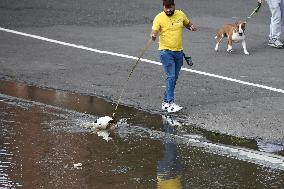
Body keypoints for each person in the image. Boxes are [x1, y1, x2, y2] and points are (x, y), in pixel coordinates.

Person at [151, 0, 197, 113]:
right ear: (163, 7)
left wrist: (191, 27)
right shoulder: (159, 17)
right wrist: (153, 35)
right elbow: (155, 30)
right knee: (170, 77)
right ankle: (170, 103)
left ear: (174, 6)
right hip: (165, 52)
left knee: (174, 78)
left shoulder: (180, 14)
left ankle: (165, 102)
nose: (168, 10)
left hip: (179, 52)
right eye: (166, 8)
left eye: (170, 7)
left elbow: (187, 23)